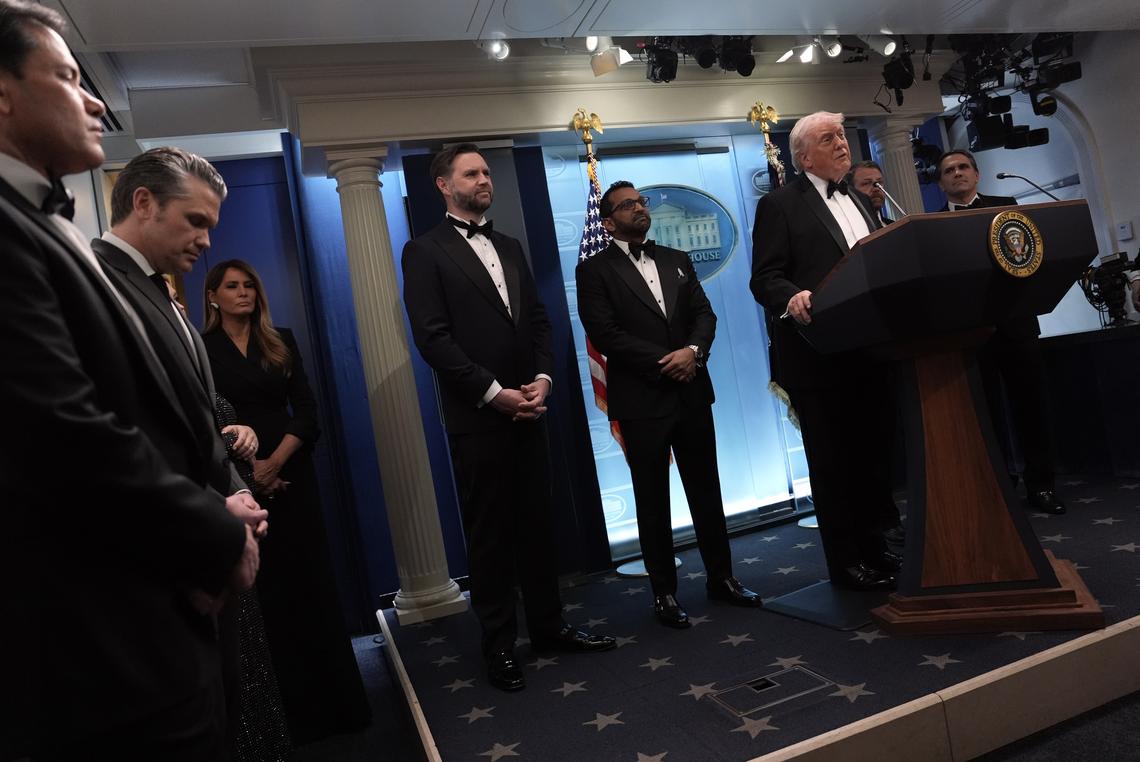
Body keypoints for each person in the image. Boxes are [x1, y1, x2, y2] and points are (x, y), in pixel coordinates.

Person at [0, 2, 263, 758]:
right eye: (68, 76)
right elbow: (61, 434)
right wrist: (215, 532)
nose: (92, 100)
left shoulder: (45, 225)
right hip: (98, 630)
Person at [402, 143, 615, 692]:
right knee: (491, 536)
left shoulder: (512, 245)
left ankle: (548, 628)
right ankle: (498, 645)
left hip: (531, 408)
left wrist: (542, 381)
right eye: (471, 173)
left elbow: (540, 322)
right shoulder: (424, 252)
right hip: (480, 417)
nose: (484, 180)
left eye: (486, 172)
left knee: (538, 528)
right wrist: (493, 393)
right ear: (444, 186)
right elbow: (433, 339)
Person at [576, 180, 763, 629]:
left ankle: (723, 578)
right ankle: (663, 592)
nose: (639, 208)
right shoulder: (594, 271)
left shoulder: (676, 259)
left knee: (707, 489)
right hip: (642, 399)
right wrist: (666, 362)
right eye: (627, 205)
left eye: (641, 202)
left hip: (691, 391)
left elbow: (704, 314)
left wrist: (693, 353)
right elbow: (606, 334)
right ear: (608, 221)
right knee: (652, 499)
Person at [201, 258, 371, 744]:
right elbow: (205, 418)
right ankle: (288, 719)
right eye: (232, 287)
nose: (243, 293)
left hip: (294, 476)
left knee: (311, 587)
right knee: (267, 597)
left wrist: (276, 461)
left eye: (249, 286)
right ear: (213, 295)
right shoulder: (202, 347)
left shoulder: (281, 339)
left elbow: (309, 411)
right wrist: (251, 473)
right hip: (239, 486)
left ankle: (338, 708)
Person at [750, 111, 899, 591]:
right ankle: (847, 562)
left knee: (874, 458)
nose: (841, 144)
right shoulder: (780, 205)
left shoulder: (860, 196)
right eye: (828, 138)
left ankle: (877, 548)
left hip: (871, 350)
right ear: (802, 156)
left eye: (842, 135)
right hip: (819, 355)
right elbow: (765, 277)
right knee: (835, 465)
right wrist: (791, 297)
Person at [936, 149, 1066, 514]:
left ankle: (1042, 487)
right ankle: (999, 489)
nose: (957, 173)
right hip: (970, 335)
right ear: (940, 182)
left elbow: (1029, 259)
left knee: (1032, 411)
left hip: (1017, 326)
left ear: (977, 175)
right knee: (985, 418)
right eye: (949, 170)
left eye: (963, 167)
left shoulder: (1008, 206)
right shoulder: (932, 224)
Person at [848, 159, 892, 224]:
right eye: (866, 183)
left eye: (879, 182)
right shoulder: (848, 230)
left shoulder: (895, 227)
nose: (876, 188)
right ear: (851, 190)